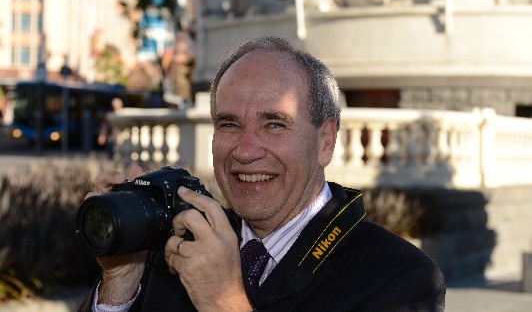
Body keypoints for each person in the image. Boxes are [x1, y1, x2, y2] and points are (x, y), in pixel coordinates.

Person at [78, 36, 446, 311]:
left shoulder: (401, 278)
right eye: (229, 124)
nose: (246, 151)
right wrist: (119, 284)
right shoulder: (175, 246)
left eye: (274, 125)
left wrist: (223, 301)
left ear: (325, 141)